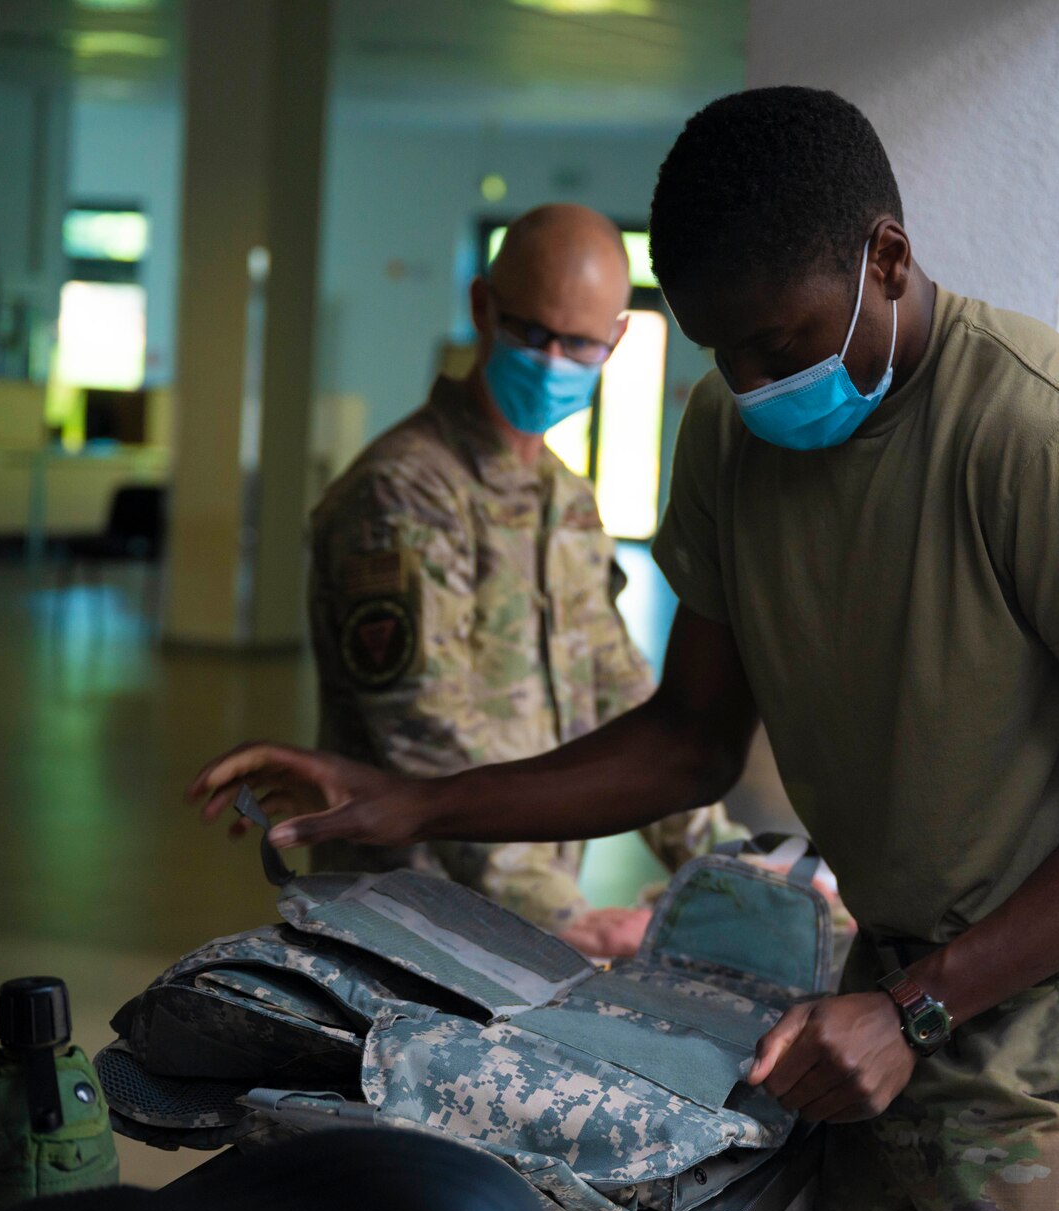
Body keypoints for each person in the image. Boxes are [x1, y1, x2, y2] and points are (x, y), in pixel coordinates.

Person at [192, 88, 1059, 1211]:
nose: (751, 380)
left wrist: (920, 1005)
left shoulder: (1036, 434)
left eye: (779, 340)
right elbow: (686, 738)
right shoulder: (735, 437)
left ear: (887, 259)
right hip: (889, 1002)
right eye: (716, 349)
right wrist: (411, 794)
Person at [296, 203, 737, 959]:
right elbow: (424, 738)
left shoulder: (564, 498)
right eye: (532, 333)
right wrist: (562, 913)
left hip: (513, 932)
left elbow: (620, 692)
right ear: (482, 310)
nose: (552, 358)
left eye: (578, 343)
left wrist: (735, 865)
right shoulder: (403, 493)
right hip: (407, 925)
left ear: (616, 341)